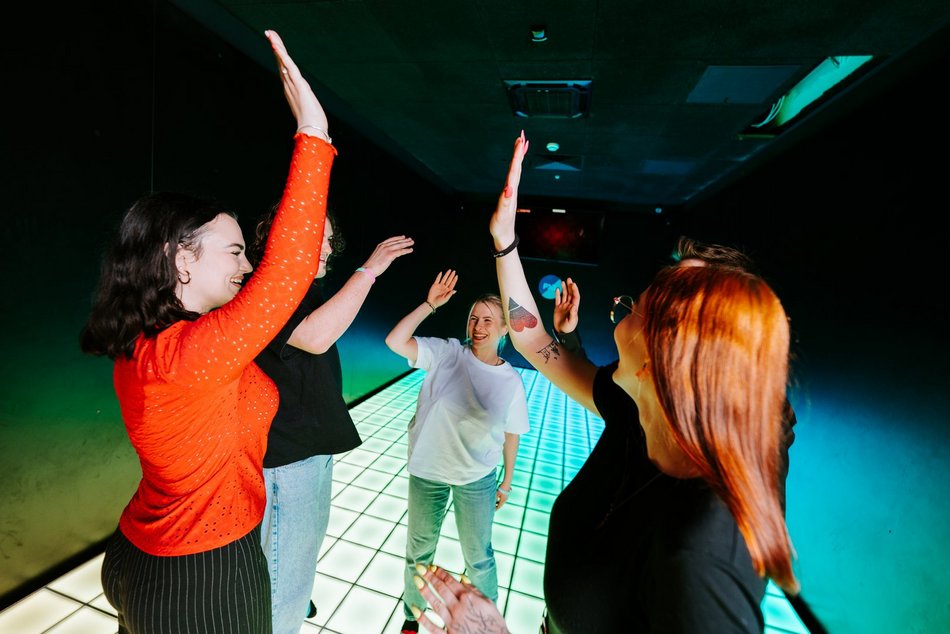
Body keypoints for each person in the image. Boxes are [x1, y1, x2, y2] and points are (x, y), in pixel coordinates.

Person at [409, 131, 799, 633]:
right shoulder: (642, 407)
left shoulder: (703, 556)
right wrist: (504, 241)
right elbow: (533, 341)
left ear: (660, 365)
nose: (621, 311)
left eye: (631, 310)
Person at [79, 31, 334, 634]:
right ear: (181, 259)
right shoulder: (187, 354)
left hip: (148, 556)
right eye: (236, 251)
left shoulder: (156, 342)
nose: (247, 266)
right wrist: (314, 133)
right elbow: (287, 273)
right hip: (201, 575)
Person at [249, 203, 414, 634]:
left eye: (328, 239)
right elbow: (316, 337)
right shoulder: (267, 288)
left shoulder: (302, 290)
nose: (327, 248)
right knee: (285, 579)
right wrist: (369, 271)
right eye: (316, 239)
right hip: (287, 461)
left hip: (311, 452)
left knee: (298, 559)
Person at [552, 235, 796, 512]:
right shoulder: (633, 398)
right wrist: (566, 335)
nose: (657, 291)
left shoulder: (727, 492)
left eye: (681, 290)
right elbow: (543, 349)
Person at [384, 270, 530, 634]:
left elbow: (512, 433)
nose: (478, 327)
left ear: (505, 330)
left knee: (479, 557)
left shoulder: (511, 380)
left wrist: (507, 482)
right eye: (474, 318)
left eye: (488, 320)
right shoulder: (447, 352)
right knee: (418, 551)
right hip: (428, 472)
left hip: (476, 477)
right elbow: (394, 341)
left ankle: (485, 622)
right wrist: (429, 304)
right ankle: (412, 616)